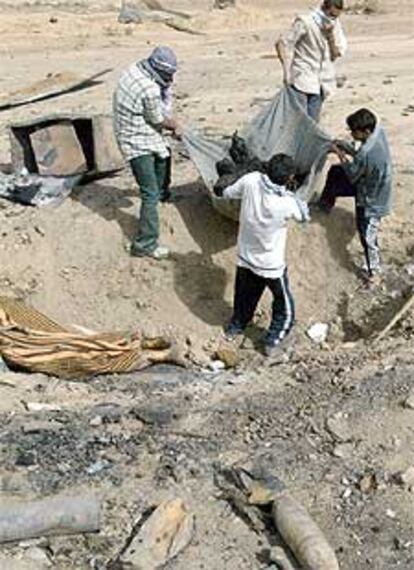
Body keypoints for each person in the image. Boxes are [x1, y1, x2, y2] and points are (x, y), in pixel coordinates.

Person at [213, 154, 309, 356]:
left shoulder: (251, 180)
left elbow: (227, 192)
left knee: (243, 297)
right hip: (271, 265)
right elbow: (303, 216)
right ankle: (274, 340)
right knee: (285, 307)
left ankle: (236, 327)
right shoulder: (287, 202)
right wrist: (291, 193)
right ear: (290, 177)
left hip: (246, 257)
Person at [113, 46, 181, 260]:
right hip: (135, 139)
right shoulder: (150, 89)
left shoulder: (134, 69)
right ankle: (145, 244)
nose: (170, 78)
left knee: (164, 156)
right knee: (148, 193)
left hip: (131, 125)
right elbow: (158, 120)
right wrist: (176, 126)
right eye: (168, 75)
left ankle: (163, 194)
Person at [318, 108, 393, 281]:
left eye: (354, 132)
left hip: (371, 197)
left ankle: (374, 271)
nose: (352, 134)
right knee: (336, 173)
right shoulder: (378, 132)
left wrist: (340, 153)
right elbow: (361, 155)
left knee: (366, 233)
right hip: (373, 181)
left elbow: (352, 174)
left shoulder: (366, 154)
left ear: (366, 131)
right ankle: (324, 206)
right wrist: (346, 146)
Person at [275, 0, 347, 122]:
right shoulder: (306, 22)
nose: (332, 18)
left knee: (313, 122)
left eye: (335, 16)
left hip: (321, 82)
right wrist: (287, 72)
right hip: (301, 78)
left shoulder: (335, 25)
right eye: (330, 14)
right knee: (298, 121)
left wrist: (330, 37)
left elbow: (335, 55)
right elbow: (283, 43)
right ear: (324, 8)